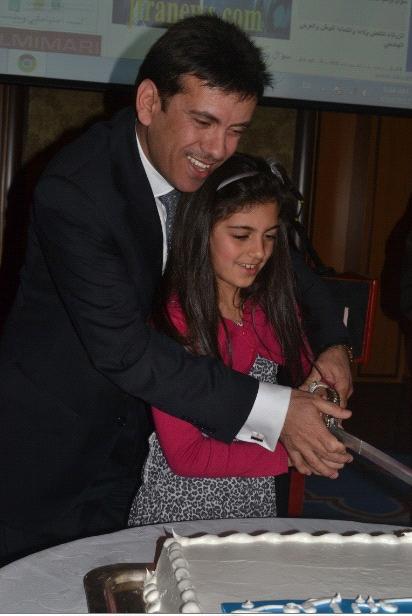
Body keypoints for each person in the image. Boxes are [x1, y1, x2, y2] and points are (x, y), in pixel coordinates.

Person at [0, 14, 352, 566]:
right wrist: (276, 411)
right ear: (149, 103)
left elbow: (290, 270)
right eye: (204, 122)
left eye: (236, 130)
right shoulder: (77, 190)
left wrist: (332, 342)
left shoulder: (201, 169)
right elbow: (123, 349)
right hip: (54, 442)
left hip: (138, 445)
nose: (217, 149)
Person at [128, 153, 313, 525]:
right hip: (181, 514)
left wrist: (322, 394)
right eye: (241, 235)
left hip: (254, 506)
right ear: (203, 231)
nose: (259, 252)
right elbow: (187, 456)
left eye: (269, 236)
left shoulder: (268, 307)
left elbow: (308, 376)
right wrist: (291, 454)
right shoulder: (175, 320)